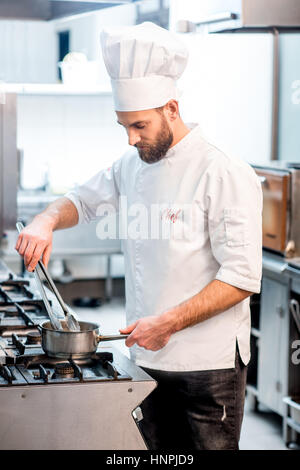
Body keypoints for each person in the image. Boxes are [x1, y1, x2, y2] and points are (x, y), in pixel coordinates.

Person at [15, 22, 262, 450]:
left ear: (171, 107)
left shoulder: (222, 171)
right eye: (123, 126)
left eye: (139, 126)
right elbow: (82, 200)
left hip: (207, 370)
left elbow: (241, 277)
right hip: (146, 360)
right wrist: (46, 220)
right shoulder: (133, 165)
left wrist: (168, 322)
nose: (130, 138)